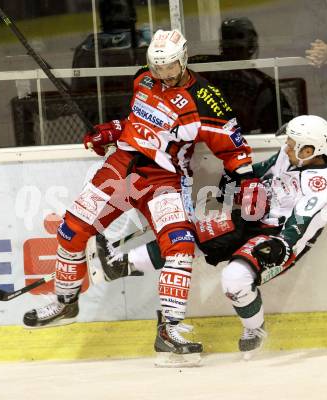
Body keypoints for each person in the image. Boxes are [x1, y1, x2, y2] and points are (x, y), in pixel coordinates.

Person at [23, 29, 254, 363]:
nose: (162, 74)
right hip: (121, 169)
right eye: (157, 67)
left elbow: (233, 144)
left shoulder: (205, 98)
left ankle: (169, 329)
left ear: (183, 59)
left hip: (163, 179)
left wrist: (246, 179)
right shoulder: (143, 80)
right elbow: (137, 121)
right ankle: (65, 301)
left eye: (170, 67)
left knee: (180, 246)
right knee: (71, 230)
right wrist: (114, 129)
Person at [87, 115, 327, 357]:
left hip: (280, 238)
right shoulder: (302, 151)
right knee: (188, 239)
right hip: (255, 216)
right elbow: (266, 168)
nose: (286, 149)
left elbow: (299, 226)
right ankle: (121, 264)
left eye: (292, 145)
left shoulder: (322, 186)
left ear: (309, 151)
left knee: (235, 277)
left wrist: (281, 244)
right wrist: (236, 183)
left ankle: (254, 328)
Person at [189, 17, 296, 134]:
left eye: (238, 48)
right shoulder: (203, 68)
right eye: (230, 47)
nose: (234, 53)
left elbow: (279, 133)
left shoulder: (265, 86)